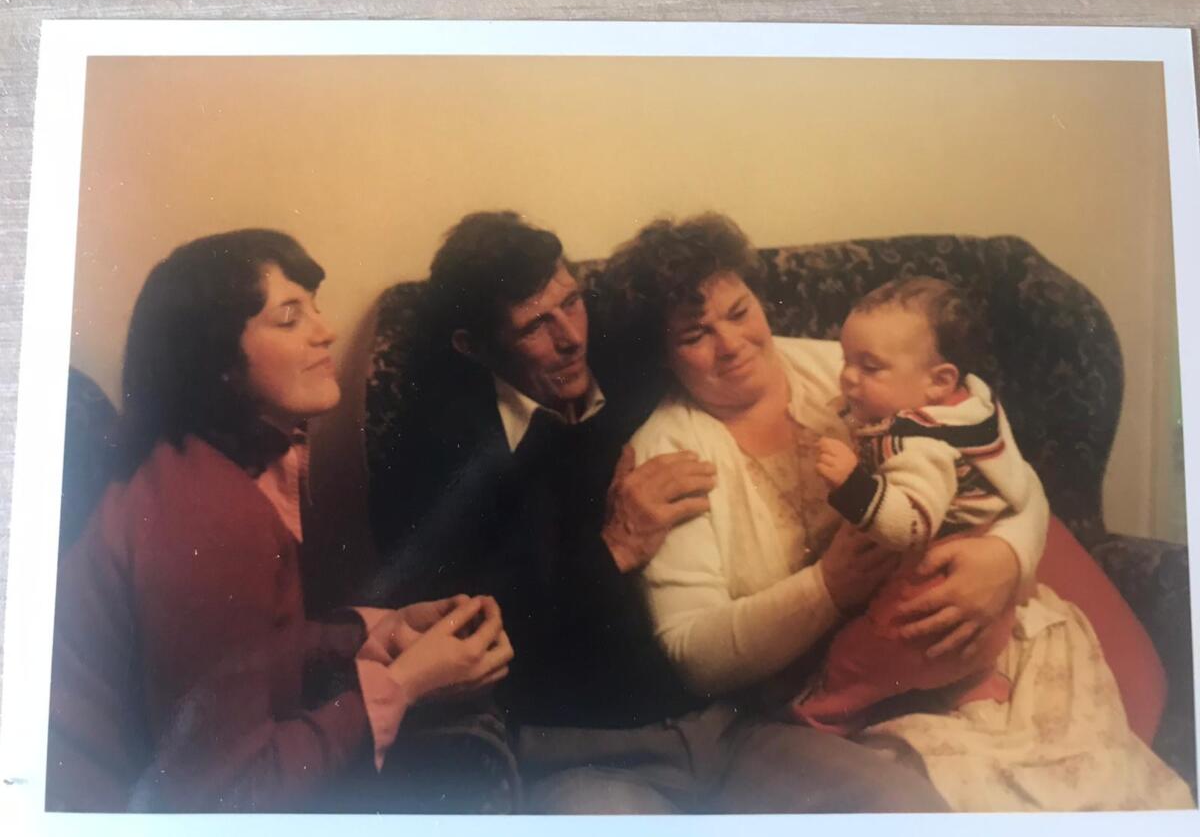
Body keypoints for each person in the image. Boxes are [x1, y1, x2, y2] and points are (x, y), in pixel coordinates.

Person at [368, 210, 951, 813]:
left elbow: (944, 408)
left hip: (731, 725)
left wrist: (1001, 551)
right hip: (582, 751)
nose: (570, 338)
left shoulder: (629, 358)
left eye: (571, 303)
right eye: (535, 326)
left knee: (904, 807)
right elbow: (463, 638)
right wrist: (614, 549)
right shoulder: (433, 456)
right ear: (473, 346)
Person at [609, 212, 1193, 811]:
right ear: (665, 355)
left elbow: (1009, 474)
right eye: (694, 335)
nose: (731, 344)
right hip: (834, 703)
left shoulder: (852, 367)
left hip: (972, 631)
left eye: (739, 312)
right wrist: (827, 588)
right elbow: (693, 655)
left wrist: (1007, 557)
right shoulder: (669, 452)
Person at [47, 229, 513, 813]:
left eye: (315, 308)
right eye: (290, 318)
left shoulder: (208, 465)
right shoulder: (209, 514)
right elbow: (225, 800)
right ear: (220, 362)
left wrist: (374, 630)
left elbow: (239, 651)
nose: (327, 331)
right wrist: (405, 684)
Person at [792, 276, 1033, 730]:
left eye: (869, 367)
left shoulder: (921, 445)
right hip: (988, 609)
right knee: (953, 658)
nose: (847, 377)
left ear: (938, 382)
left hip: (930, 594)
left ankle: (818, 719)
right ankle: (974, 682)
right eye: (846, 360)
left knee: (854, 658)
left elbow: (910, 526)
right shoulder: (972, 402)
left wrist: (853, 484)